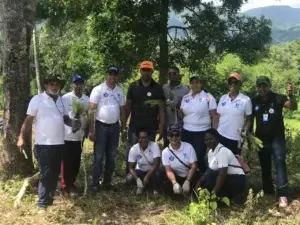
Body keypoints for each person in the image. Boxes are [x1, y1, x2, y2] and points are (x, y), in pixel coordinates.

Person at [17, 76, 73, 211]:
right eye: (52, 84)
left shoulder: (61, 100)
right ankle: (42, 204)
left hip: (59, 143)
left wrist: (74, 123)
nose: (54, 87)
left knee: (54, 173)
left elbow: (65, 118)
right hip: (43, 144)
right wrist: (21, 137)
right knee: (45, 173)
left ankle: (50, 198)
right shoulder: (37, 99)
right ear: (46, 86)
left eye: (57, 85)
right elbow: (29, 120)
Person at [251, 76, 297, 208]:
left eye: (264, 85)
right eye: (260, 86)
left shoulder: (278, 98)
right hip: (260, 139)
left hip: (277, 138)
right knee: (265, 167)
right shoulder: (254, 101)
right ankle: (268, 191)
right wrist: (250, 136)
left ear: (269, 85)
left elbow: (293, 107)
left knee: (280, 165)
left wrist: (291, 95)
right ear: (257, 87)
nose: (262, 88)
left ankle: (282, 194)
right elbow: (249, 118)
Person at [88, 66, 126, 193]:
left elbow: (122, 110)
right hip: (101, 127)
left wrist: (124, 127)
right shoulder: (98, 89)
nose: (112, 77)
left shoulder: (120, 91)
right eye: (110, 74)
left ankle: (107, 182)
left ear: (117, 77)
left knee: (112, 156)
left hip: (114, 127)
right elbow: (91, 110)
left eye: (115, 74)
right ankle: (95, 184)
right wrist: (91, 130)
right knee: (98, 156)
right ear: (106, 75)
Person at [125, 61, 165, 173]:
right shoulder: (133, 86)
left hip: (151, 126)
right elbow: (128, 107)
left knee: (150, 151)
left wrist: (161, 127)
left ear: (152, 71)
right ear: (140, 71)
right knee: (132, 149)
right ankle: (130, 175)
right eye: (144, 70)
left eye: (148, 70)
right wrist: (123, 124)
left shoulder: (157, 88)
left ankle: (149, 176)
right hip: (134, 125)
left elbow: (161, 109)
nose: (146, 72)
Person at [179, 76, 218, 172]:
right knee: (186, 155)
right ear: (190, 85)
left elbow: (215, 116)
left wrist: (213, 133)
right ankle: (188, 176)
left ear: (201, 84)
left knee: (199, 156)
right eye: (192, 82)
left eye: (197, 82)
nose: (195, 84)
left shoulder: (208, 97)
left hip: (201, 132)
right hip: (186, 131)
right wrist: (173, 107)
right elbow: (182, 114)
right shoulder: (185, 97)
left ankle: (201, 180)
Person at [60, 74, 89, 196]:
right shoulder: (65, 98)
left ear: (83, 85)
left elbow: (89, 115)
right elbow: (63, 116)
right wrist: (73, 124)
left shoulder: (87, 99)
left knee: (76, 160)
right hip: (66, 135)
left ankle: (72, 183)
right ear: (72, 84)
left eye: (80, 83)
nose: (78, 86)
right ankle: (65, 185)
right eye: (76, 83)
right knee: (66, 161)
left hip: (79, 137)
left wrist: (86, 129)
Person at [197, 129, 246, 200]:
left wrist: (214, 193)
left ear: (217, 139)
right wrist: (199, 182)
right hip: (226, 178)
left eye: (211, 139)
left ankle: (225, 196)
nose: (208, 142)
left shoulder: (222, 151)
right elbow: (209, 170)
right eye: (206, 140)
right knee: (206, 179)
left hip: (236, 179)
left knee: (210, 179)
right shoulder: (210, 152)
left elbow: (222, 174)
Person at [217, 73, 252, 154]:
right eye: (230, 82)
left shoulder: (245, 100)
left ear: (240, 84)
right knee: (220, 161)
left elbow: (249, 119)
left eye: (235, 82)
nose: (232, 85)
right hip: (220, 135)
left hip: (235, 138)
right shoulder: (223, 98)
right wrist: (215, 133)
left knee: (233, 163)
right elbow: (218, 116)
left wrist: (245, 131)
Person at [162, 124, 198, 195]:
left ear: (180, 136)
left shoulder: (188, 147)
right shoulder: (165, 152)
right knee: (165, 182)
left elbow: (194, 166)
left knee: (196, 189)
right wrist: (174, 183)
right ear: (168, 137)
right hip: (176, 176)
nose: (174, 137)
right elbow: (168, 170)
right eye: (171, 135)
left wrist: (187, 181)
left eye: (177, 135)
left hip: (189, 175)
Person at [127, 129, 161, 196]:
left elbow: (156, 164)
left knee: (158, 174)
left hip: (153, 171)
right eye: (141, 138)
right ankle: (142, 187)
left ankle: (155, 189)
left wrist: (147, 177)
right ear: (138, 138)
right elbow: (130, 167)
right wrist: (137, 179)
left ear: (148, 137)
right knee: (129, 178)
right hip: (141, 170)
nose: (143, 140)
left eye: (145, 137)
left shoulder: (154, 146)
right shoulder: (134, 149)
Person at [162, 66, 189, 148]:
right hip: (167, 124)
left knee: (180, 147)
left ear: (178, 75)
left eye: (174, 73)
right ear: (167, 76)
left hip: (180, 124)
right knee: (167, 147)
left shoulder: (185, 89)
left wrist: (176, 106)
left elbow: (187, 107)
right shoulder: (164, 88)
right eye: (170, 74)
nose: (172, 75)